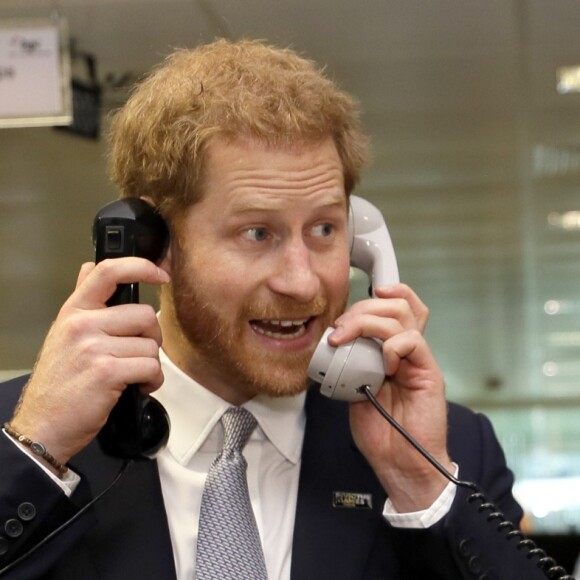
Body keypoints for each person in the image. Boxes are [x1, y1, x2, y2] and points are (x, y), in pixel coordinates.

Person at [0, 39, 560, 580]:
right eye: (257, 232)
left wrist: (418, 484)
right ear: (152, 244)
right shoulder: (24, 433)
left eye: (324, 229)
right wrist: (36, 453)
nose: (302, 281)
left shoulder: (445, 451)